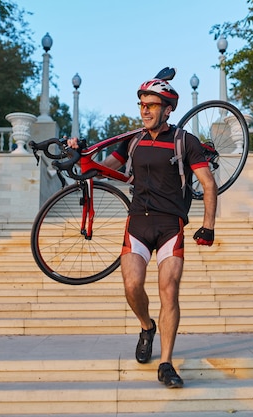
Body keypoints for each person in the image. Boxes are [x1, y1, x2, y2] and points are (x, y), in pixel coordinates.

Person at [68, 73, 218, 388]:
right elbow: (103, 169)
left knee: (169, 290)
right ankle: (146, 326)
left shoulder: (184, 141)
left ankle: (166, 363)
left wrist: (208, 226)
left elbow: (208, 184)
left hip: (170, 224)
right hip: (137, 221)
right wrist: (81, 153)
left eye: (151, 105)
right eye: (142, 105)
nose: (145, 110)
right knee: (132, 286)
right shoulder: (132, 139)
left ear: (168, 109)